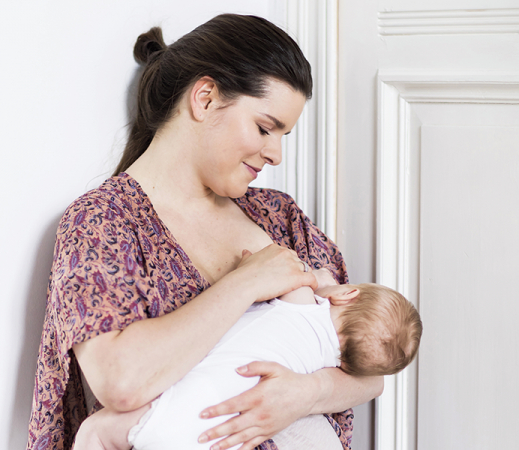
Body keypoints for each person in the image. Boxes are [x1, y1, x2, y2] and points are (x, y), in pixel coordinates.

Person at [26, 14, 384, 450]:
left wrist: (304, 394)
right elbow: (121, 383)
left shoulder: (279, 218)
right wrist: (246, 283)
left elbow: (369, 369)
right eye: (265, 128)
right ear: (206, 98)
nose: (276, 154)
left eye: (284, 135)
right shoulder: (104, 223)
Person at [72, 282, 422, 450]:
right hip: (224, 439)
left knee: (95, 432)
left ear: (348, 294)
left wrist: (322, 282)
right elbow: (371, 384)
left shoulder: (298, 300)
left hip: (172, 410)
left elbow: (279, 271)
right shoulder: (317, 365)